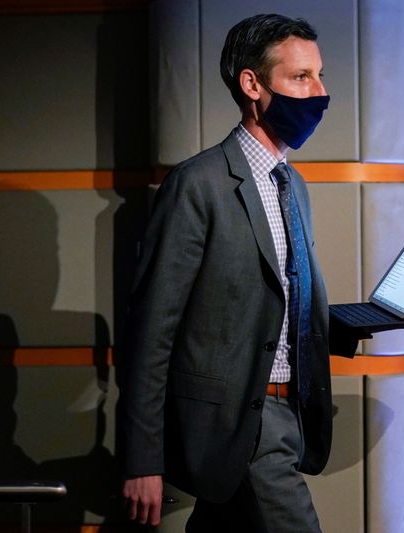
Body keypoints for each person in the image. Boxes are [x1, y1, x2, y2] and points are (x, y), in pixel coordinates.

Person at [119, 13, 333, 532]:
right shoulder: (198, 184)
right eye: (301, 77)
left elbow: (276, 309)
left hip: (289, 416)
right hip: (240, 421)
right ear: (252, 84)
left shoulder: (293, 184)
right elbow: (153, 329)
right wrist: (142, 458)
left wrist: (382, 321)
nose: (320, 92)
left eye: (320, 75)